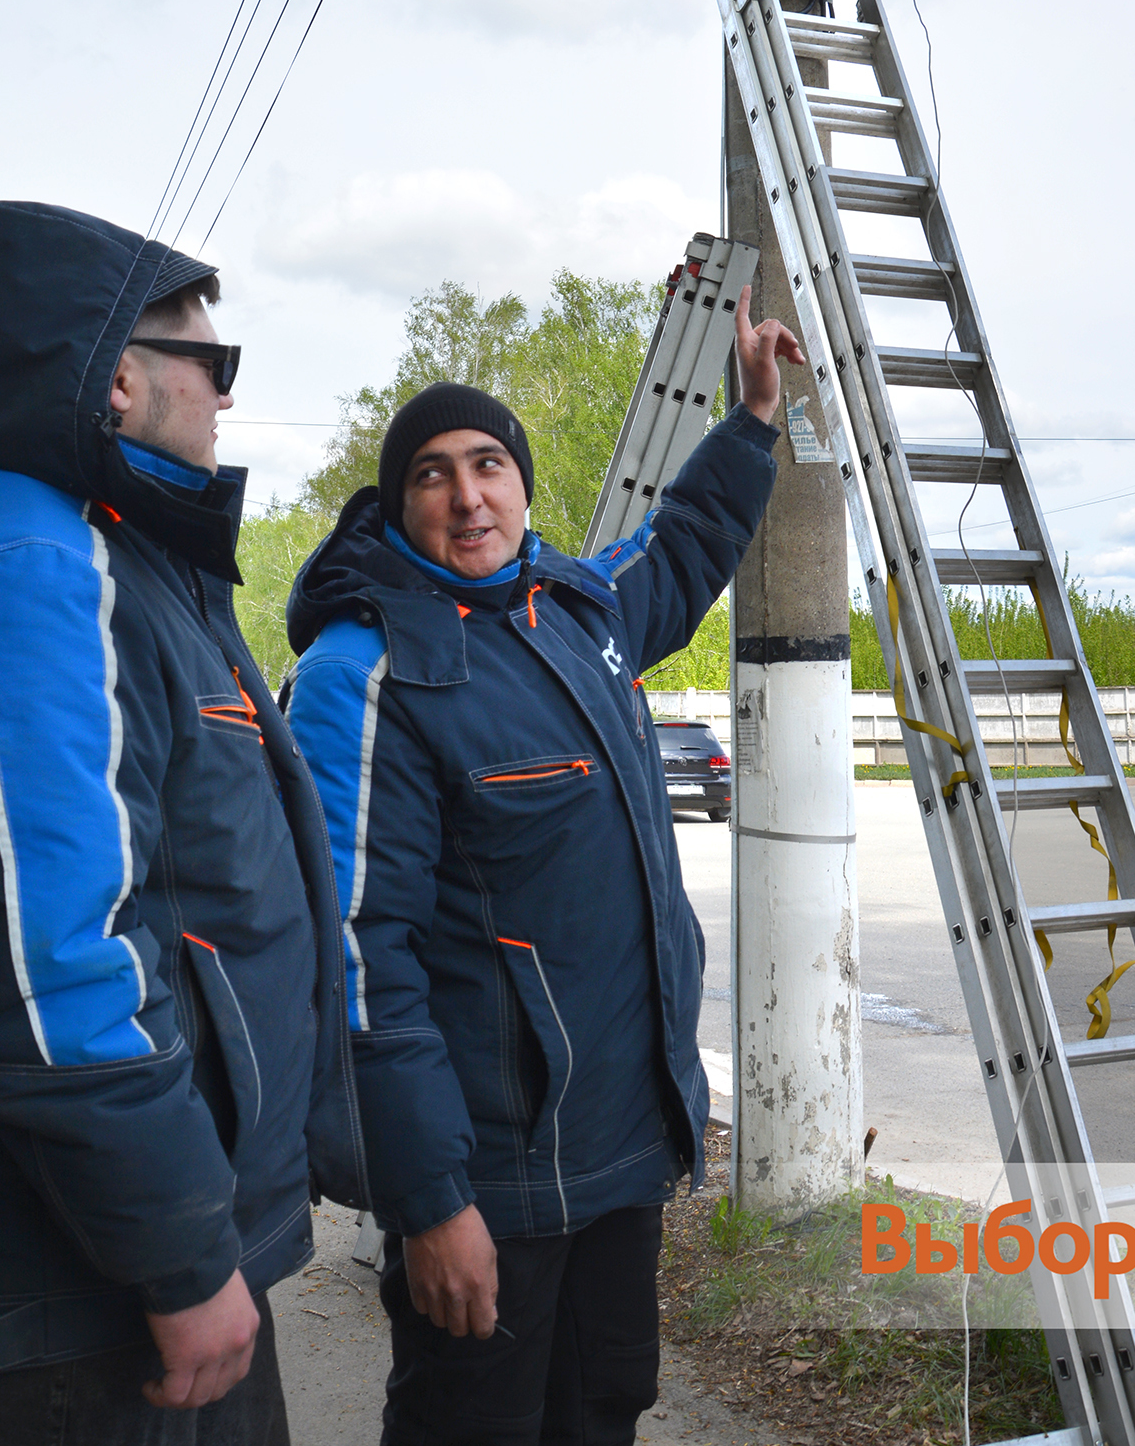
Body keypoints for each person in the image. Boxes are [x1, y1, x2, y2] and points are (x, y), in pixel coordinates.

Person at [0, 201, 364, 1444]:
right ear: (118, 380)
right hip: (84, 1310)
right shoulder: (28, 570)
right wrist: (178, 1253)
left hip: (118, 1274)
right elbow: (47, 964)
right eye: (211, 361)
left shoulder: (98, 555)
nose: (227, 398)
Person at [285, 285, 803, 1445]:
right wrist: (429, 1205)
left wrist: (753, 419)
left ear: (521, 480)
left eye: (487, 464)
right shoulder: (366, 675)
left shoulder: (574, 610)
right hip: (492, 1185)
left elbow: (683, 548)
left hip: (618, 1154)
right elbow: (360, 961)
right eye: (431, 473)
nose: (468, 496)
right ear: (397, 502)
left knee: (601, 1412)